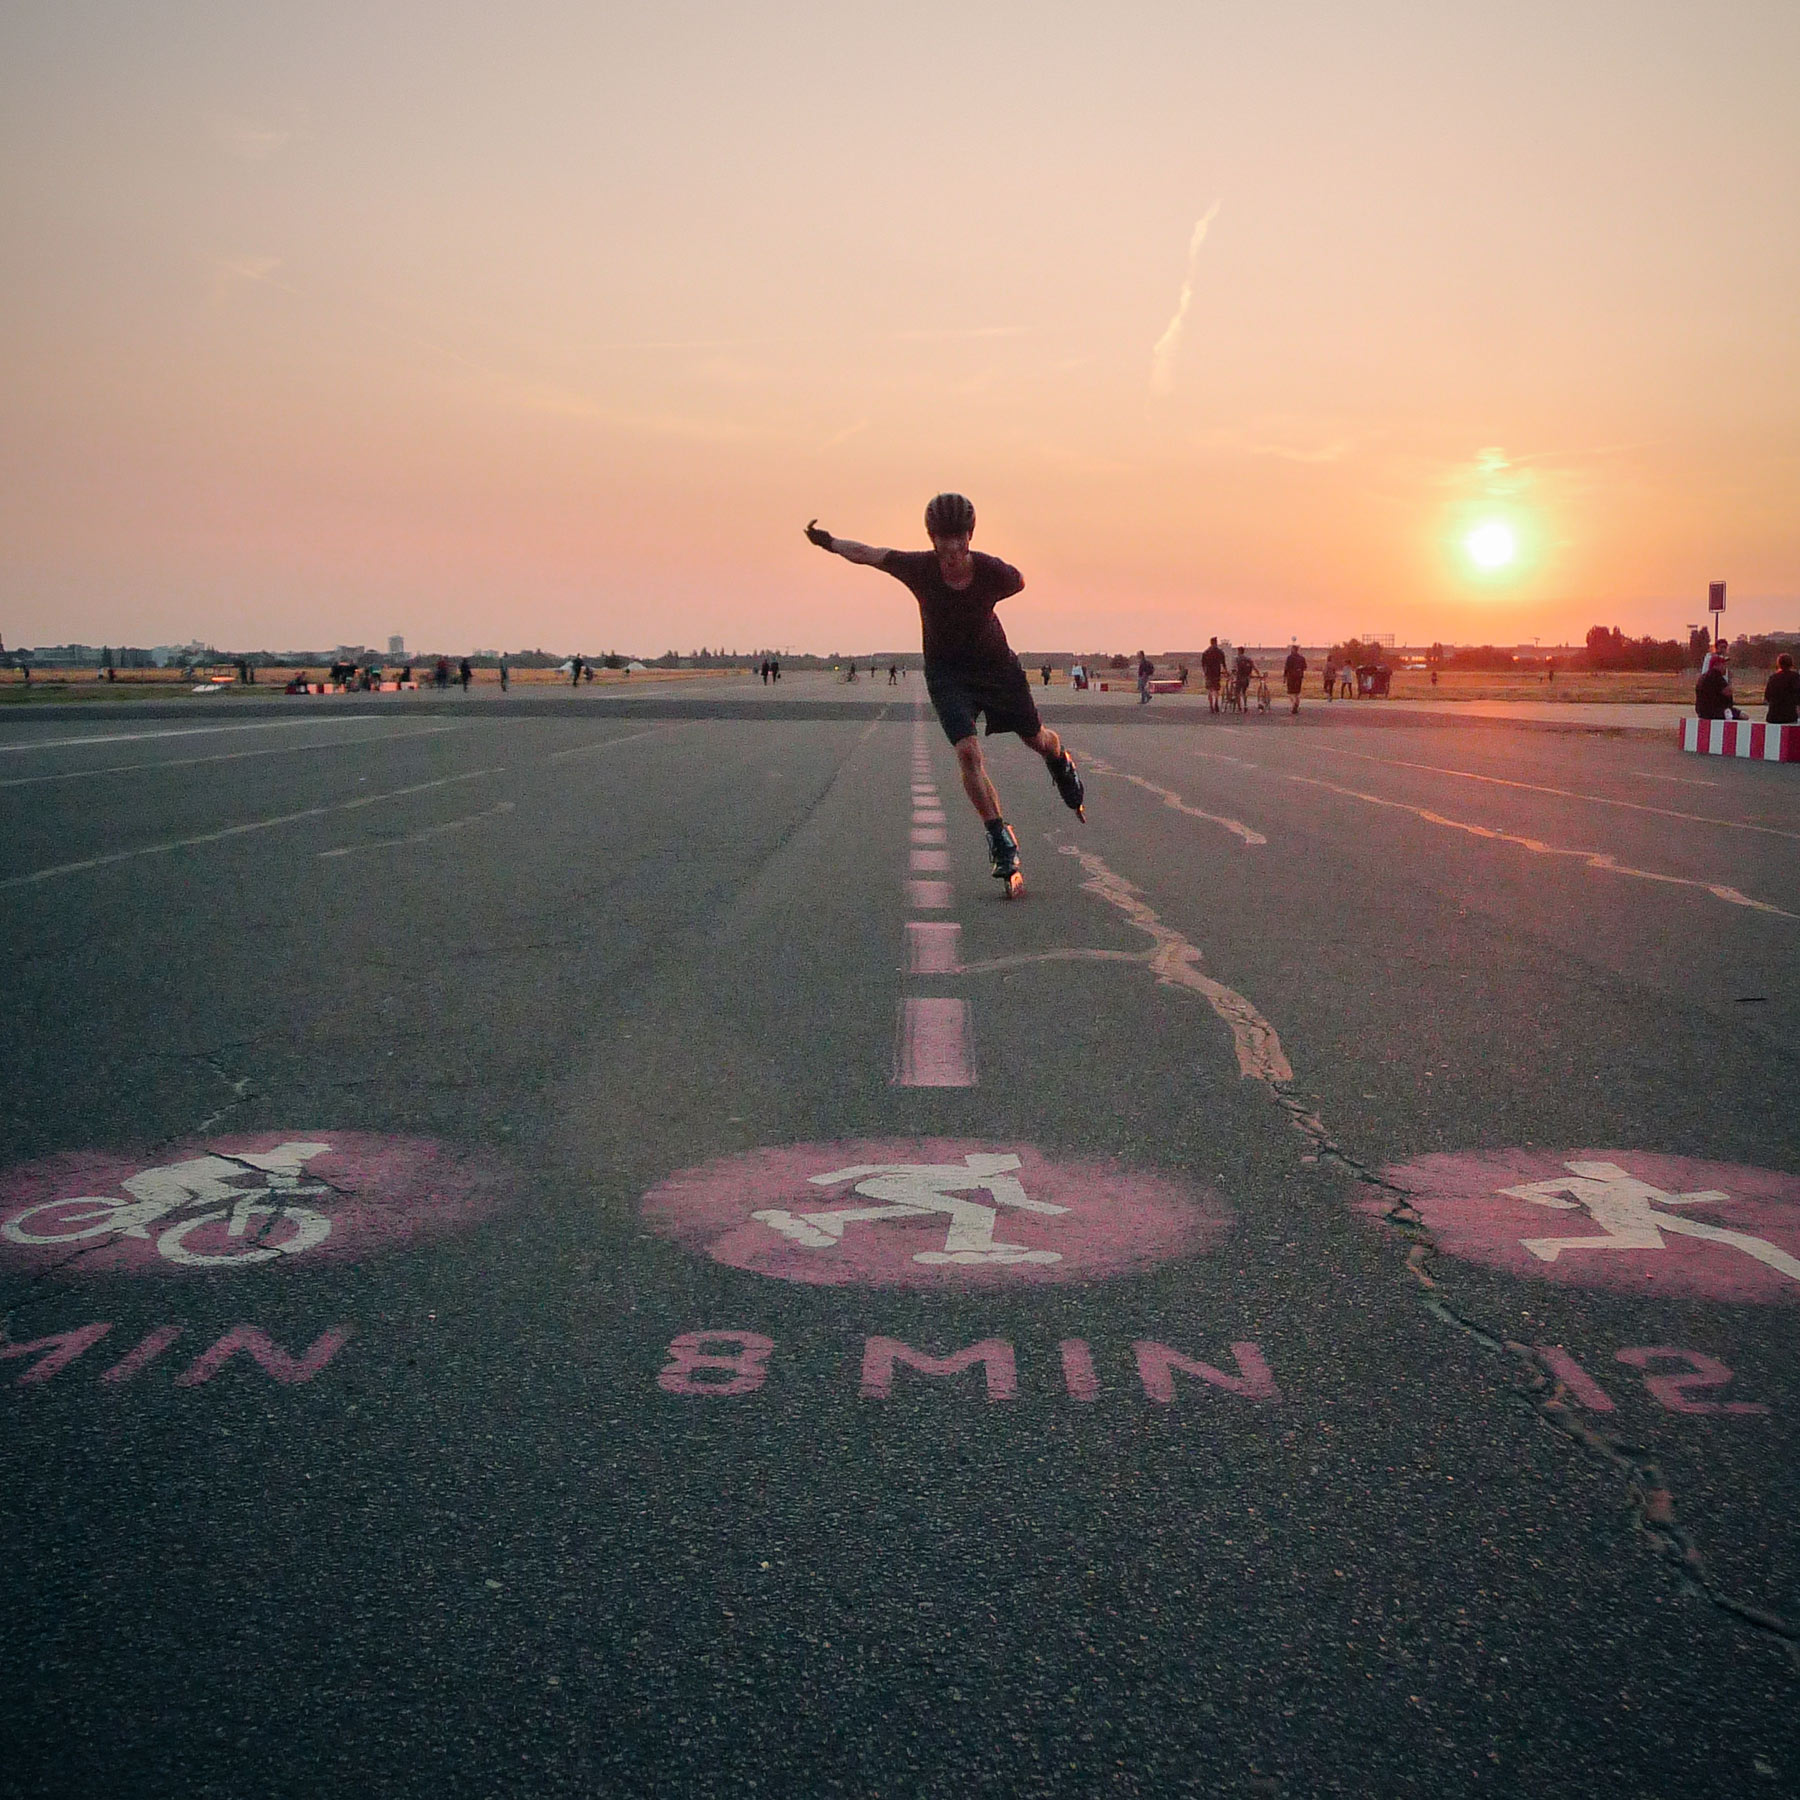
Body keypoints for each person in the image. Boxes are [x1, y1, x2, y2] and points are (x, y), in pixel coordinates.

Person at [805, 493, 1085, 889]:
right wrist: (829, 543)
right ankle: (1000, 838)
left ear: (969, 537)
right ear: (932, 538)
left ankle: (1060, 761)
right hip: (946, 673)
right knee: (967, 752)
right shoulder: (918, 568)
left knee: (1036, 739)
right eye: (941, 538)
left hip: (997, 669)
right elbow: (870, 553)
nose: (950, 547)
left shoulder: (992, 572)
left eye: (957, 538)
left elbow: (1019, 581)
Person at [1694, 648, 1743, 721]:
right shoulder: (1716, 676)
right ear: (1716, 665)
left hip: (1702, 711)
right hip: (1716, 711)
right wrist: (1730, 680)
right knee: (1744, 716)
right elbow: (1728, 692)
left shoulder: (1704, 676)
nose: (1725, 667)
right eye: (1723, 664)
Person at [1762, 653, 1799, 725]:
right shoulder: (1795, 677)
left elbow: (1767, 697)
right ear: (1791, 664)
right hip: (1789, 716)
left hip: (1773, 716)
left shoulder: (1773, 678)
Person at [1200, 637, 1226, 714]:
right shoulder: (1220, 652)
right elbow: (1223, 663)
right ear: (1216, 642)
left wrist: (1205, 672)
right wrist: (1226, 671)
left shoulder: (1206, 652)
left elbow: (1203, 664)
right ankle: (1216, 702)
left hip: (1209, 673)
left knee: (1210, 690)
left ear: (1210, 642)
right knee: (1216, 689)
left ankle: (1211, 705)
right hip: (1216, 673)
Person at [1283, 642, 1307, 715]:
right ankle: (1296, 703)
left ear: (1293, 650)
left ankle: (1294, 704)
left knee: (1290, 692)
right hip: (1299, 676)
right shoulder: (1302, 658)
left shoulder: (1289, 658)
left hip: (1291, 676)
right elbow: (1305, 667)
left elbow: (1286, 668)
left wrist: (1284, 677)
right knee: (1297, 692)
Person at [1233, 646, 1256, 711]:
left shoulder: (1237, 659)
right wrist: (1258, 674)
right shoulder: (1248, 659)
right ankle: (1245, 705)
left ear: (1239, 651)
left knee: (1237, 692)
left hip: (1239, 677)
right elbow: (1254, 667)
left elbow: (1234, 668)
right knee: (1244, 692)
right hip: (1246, 678)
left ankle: (1239, 707)